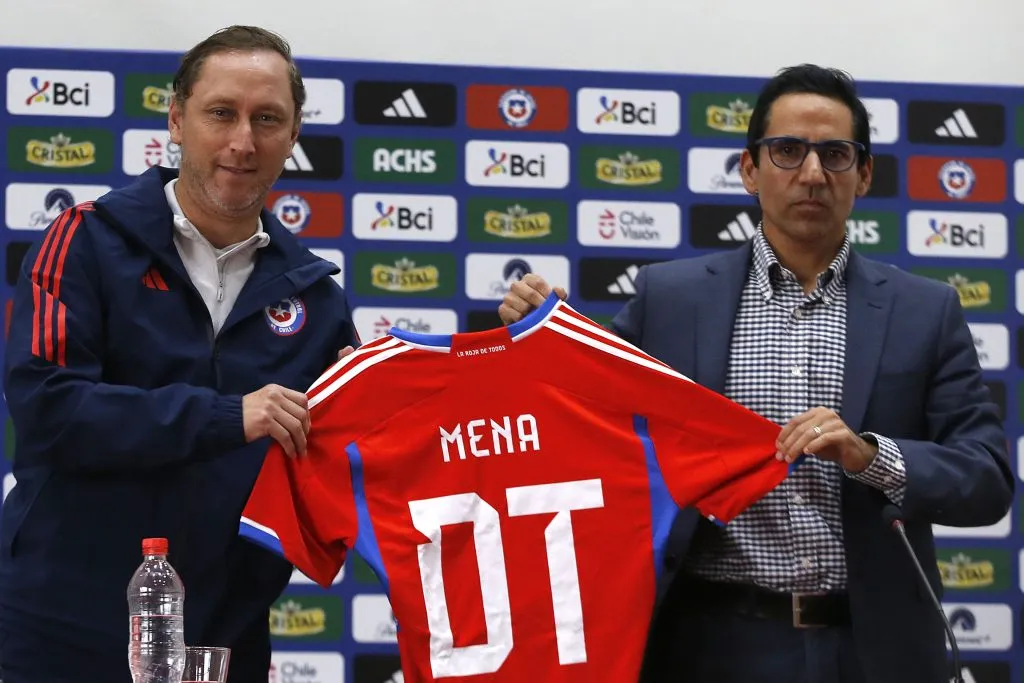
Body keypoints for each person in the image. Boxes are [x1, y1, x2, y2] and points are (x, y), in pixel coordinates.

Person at [497, 64, 1013, 683]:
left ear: (865, 173)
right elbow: (585, 417)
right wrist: (540, 332)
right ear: (750, 169)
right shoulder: (672, 299)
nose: (813, 174)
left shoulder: (925, 311)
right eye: (788, 151)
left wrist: (872, 456)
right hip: (708, 644)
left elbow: (986, 478)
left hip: (873, 651)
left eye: (836, 154)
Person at [0, 25, 358, 683]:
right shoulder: (83, 241)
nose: (242, 142)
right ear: (176, 116)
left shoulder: (317, 297)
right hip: (57, 630)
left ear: (294, 134)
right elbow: (49, 408)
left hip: (224, 642)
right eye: (221, 112)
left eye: (267, 119)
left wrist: (520, 330)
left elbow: (364, 447)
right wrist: (228, 416)